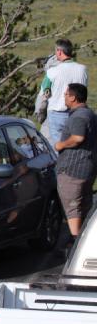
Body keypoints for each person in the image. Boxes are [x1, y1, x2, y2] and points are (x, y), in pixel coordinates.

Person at [54, 83, 96, 240]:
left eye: (66, 94)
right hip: (87, 168)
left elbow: (78, 137)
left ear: (73, 97)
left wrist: (61, 145)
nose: (64, 97)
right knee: (84, 205)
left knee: (72, 208)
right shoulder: (90, 114)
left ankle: (74, 242)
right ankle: (84, 239)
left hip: (72, 170)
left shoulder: (79, 116)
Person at [43, 38, 89, 145]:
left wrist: (40, 113)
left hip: (56, 114)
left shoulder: (51, 72)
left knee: (58, 146)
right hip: (78, 111)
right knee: (77, 143)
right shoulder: (83, 69)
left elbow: (44, 93)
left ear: (59, 51)